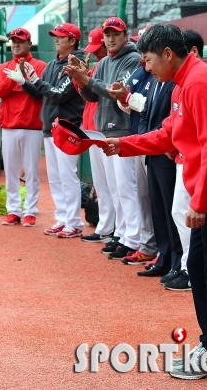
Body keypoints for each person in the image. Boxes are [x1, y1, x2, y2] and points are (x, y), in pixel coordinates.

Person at [102, 24, 207, 379]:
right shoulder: (182, 85)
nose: (145, 66)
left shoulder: (200, 84)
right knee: (201, 269)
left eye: (148, 59)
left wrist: (200, 202)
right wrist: (123, 145)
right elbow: (168, 133)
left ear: (168, 54)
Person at [64, 17, 142, 259]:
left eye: (115, 34)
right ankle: (122, 233)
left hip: (125, 132)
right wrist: (81, 78)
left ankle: (133, 238)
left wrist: (88, 79)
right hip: (106, 131)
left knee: (127, 189)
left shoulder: (132, 58)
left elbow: (115, 91)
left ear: (125, 34)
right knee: (115, 188)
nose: (110, 38)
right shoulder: (105, 61)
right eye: (107, 34)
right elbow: (92, 97)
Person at [6, 23, 86, 237]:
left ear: (72, 40)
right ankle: (62, 218)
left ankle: (74, 222)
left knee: (68, 176)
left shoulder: (75, 63)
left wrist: (34, 80)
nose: (56, 39)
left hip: (69, 127)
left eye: (61, 36)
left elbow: (59, 93)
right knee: (55, 177)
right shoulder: (53, 64)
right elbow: (41, 94)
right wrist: (24, 82)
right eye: (55, 36)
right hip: (50, 126)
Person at [107, 29, 158, 264]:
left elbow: (152, 106)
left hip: (156, 143)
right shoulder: (140, 71)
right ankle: (148, 246)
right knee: (143, 197)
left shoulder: (160, 76)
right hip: (141, 139)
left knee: (156, 200)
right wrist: (123, 99)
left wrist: (127, 99)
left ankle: (159, 250)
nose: (143, 53)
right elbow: (132, 108)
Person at [162, 29, 207, 291]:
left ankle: (191, 269)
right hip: (182, 156)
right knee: (178, 213)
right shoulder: (181, 84)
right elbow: (175, 126)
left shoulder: (200, 81)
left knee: (187, 215)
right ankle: (187, 267)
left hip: (195, 161)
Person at [0, 28, 47, 227]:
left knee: (32, 172)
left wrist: (23, 80)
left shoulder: (40, 66)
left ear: (29, 43)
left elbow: (40, 94)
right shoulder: (4, 67)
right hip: (9, 126)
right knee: (11, 171)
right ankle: (13, 210)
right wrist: (12, 78)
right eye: (13, 41)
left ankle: (30, 211)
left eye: (20, 41)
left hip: (32, 126)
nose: (16, 44)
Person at [79, 27, 116, 244]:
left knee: (115, 185)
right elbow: (88, 96)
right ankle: (104, 227)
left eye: (98, 49)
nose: (94, 53)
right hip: (92, 129)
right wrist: (81, 78)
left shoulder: (113, 66)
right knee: (101, 185)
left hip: (107, 132)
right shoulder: (97, 66)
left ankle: (115, 230)